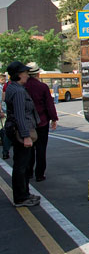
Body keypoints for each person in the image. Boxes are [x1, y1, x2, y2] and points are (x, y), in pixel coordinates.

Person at [4, 62, 41, 207]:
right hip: (21, 130)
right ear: (19, 74)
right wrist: (26, 136)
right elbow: (20, 115)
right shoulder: (18, 91)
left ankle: (24, 193)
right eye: (25, 72)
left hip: (16, 128)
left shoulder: (13, 88)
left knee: (22, 164)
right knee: (21, 165)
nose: (27, 75)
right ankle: (21, 197)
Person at [24, 63, 58, 182]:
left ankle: (28, 172)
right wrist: (54, 119)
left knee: (29, 149)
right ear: (38, 73)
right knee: (41, 149)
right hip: (42, 122)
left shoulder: (23, 86)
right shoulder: (42, 87)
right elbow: (49, 104)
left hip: (28, 123)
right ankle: (40, 174)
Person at [1, 73, 12, 160]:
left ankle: (5, 152)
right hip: (5, 112)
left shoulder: (6, 85)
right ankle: (5, 151)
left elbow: (4, 99)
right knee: (5, 132)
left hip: (6, 111)